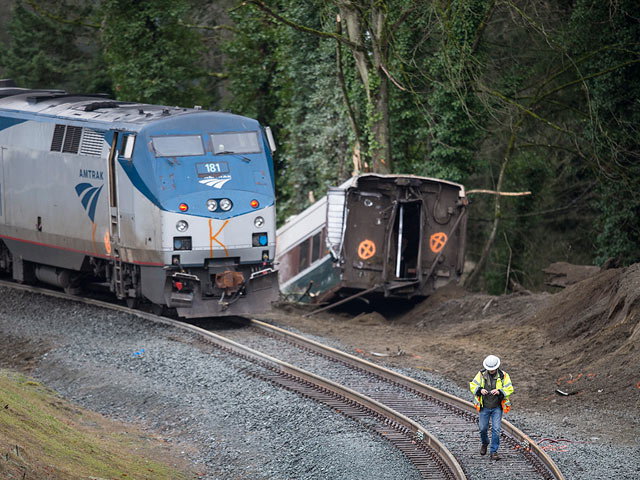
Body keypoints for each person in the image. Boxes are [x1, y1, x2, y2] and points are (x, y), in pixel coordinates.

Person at [469, 355, 514, 460]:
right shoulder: (481, 374)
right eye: (489, 369)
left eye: (493, 369)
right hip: (484, 406)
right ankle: (485, 443)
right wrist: (480, 390)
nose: (491, 371)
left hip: (497, 407)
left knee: (496, 430)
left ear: (496, 367)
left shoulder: (504, 376)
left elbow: (509, 388)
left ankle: (494, 451)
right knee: (482, 428)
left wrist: (499, 392)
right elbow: (473, 385)